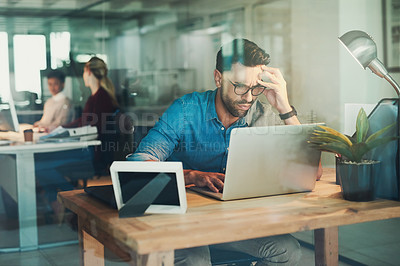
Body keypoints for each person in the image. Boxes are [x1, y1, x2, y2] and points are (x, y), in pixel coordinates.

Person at [128, 39, 302, 265]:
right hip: (182, 224)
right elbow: (137, 167)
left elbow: (310, 170)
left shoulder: (262, 114)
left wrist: (285, 109)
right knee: (195, 259)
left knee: (288, 251)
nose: (248, 97)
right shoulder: (185, 110)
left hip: (233, 224)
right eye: (239, 86)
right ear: (218, 78)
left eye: (256, 88)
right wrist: (191, 176)